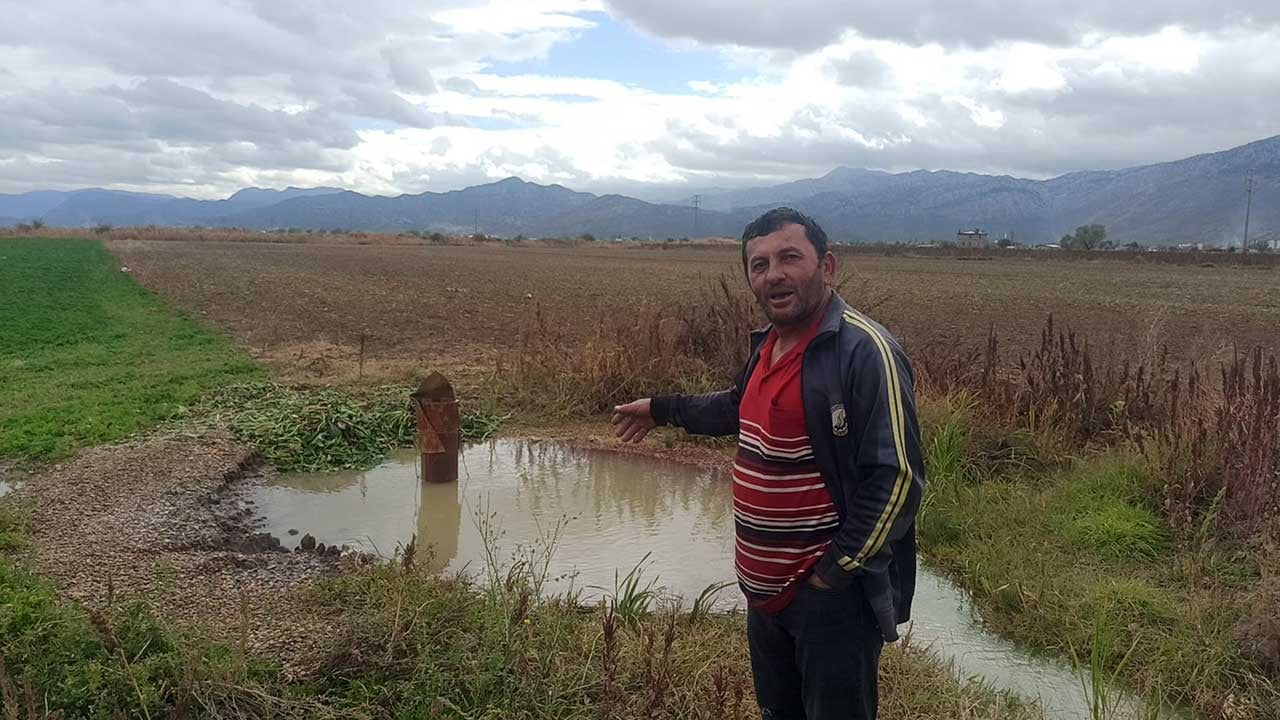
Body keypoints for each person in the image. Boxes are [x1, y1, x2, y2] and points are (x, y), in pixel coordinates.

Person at [612, 207, 925, 720]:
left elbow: (898, 479)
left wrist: (831, 576)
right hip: (765, 597)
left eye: (788, 258)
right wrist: (661, 408)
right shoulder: (769, 346)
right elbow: (737, 408)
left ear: (827, 267)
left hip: (829, 601)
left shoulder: (865, 351)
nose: (773, 274)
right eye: (758, 265)